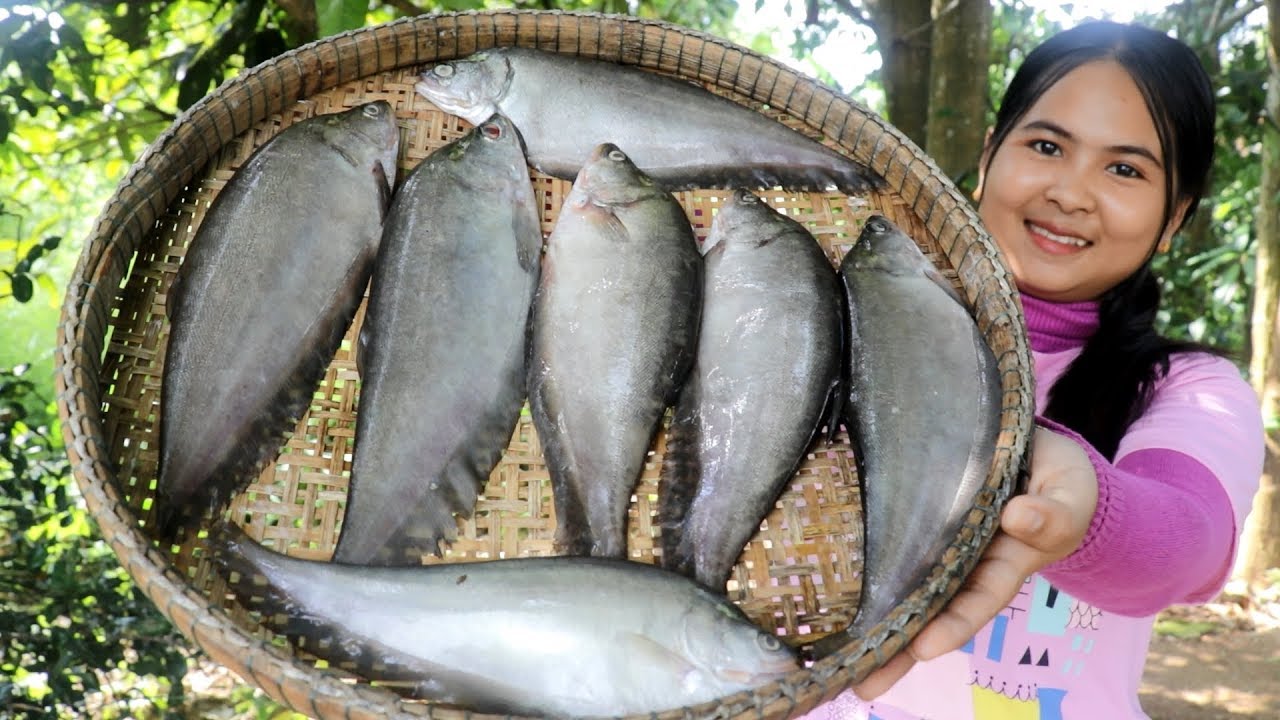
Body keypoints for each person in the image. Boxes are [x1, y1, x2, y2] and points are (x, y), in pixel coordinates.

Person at [807, 19, 1265, 720]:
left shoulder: (1192, 389)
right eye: (1047, 145)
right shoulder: (852, 318)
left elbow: (1188, 543)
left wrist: (1080, 511)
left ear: (1175, 217)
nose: (1070, 193)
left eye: (1124, 169)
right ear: (990, 154)